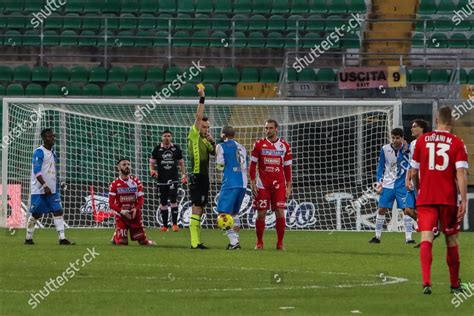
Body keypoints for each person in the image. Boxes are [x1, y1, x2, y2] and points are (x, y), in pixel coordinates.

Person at [410, 106, 469, 295]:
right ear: (451, 123)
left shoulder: (421, 140)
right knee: (451, 239)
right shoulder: (458, 143)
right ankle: (454, 285)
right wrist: (464, 200)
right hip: (448, 198)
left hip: (426, 197)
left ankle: (426, 282)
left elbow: (413, 172)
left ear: (436, 120)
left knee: (426, 237)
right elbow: (460, 173)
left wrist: (419, 190)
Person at [25, 128, 74, 245]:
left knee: (58, 211)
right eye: (49, 136)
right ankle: (28, 238)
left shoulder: (53, 152)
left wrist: (57, 183)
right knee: (37, 214)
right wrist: (45, 185)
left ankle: (62, 239)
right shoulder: (39, 152)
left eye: (53, 136)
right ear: (43, 138)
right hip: (39, 189)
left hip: (52, 189)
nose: (52, 138)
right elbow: (37, 171)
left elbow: (50, 170)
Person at [250, 119, 292, 250]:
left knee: (280, 212)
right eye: (266, 128)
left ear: (276, 129)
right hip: (263, 185)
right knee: (261, 213)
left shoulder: (284, 145)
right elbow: (253, 165)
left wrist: (289, 186)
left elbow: (287, 167)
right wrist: (252, 182)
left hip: (279, 185)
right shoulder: (258, 144)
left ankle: (280, 243)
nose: (268, 130)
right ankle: (259, 242)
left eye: (270, 128)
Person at [369, 128, 410, 244]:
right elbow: (380, 166)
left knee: (406, 210)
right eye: (393, 137)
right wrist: (379, 182)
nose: (395, 140)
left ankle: (409, 238)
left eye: (397, 138)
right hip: (387, 184)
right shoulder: (385, 149)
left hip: (402, 184)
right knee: (381, 209)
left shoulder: (408, 150)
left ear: (402, 138)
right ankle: (377, 236)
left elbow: (412, 164)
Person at [188, 85, 216, 249]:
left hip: (205, 177)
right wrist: (202, 97)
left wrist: (212, 140)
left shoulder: (206, 141)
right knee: (196, 207)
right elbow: (199, 116)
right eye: (203, 127)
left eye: (207, 128)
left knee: (201, 209)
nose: (205, 129)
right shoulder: (193, 135)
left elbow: (214, 153)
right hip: (196, 176)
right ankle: (194, 242)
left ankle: (197, 240)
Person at [404, 119, 439, 249]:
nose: (412, 129)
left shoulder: (428, 142)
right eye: (412, 126)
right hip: (414, 180)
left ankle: (427, 234)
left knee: (424, 211)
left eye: (414, 127)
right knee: (408, 210)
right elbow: (411, 164)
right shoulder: (413, 143)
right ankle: (430, 228)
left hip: (424, 181)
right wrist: (407, 180)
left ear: (422, 129)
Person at [109, 159, 156, 246]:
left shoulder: (136, 181)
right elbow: (111, 204)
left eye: (128, 164)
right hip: (121, 216)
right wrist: (122, 211)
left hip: (134, 216)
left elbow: (141, 199)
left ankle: (121, 233)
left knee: (143, 243)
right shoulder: (114, 184)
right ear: (118, 168)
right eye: (124, 165)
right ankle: (116, 235)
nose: (127, 166)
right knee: (122, 243)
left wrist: (135, 209)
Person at [216, 126, 247, 250]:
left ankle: (233, 242)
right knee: (234, 214)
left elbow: (220, 166)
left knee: (222, 213)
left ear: (223, 135)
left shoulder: (221, 146)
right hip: (243, 183)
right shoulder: (242, 147)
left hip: (230, 182)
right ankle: (236, 241)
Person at [150, 130, 187, 232]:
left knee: (173, 198)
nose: (167, 138)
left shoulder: (176, 148)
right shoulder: (157, 149)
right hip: (161, 179)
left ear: (171, 137)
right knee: (163, 201)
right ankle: (165, 226)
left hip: (173, 178)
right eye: (165, 136)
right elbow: (152, 162)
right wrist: (152, 171)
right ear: (162, 137)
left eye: (169, 136)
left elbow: (181, 163)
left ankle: (175, 224)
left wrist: (183, 175)